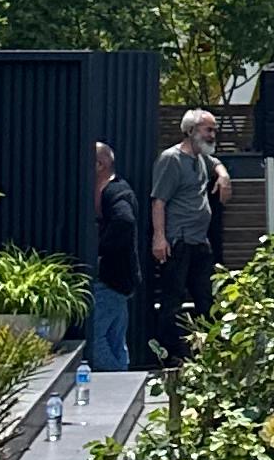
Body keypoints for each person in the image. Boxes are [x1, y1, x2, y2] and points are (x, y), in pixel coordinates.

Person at [146, 109, 227, 368]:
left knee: (207, 299)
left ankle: (209, 353)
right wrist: (159, 237)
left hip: (200, 241)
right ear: (191, 131)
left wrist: (223, 175)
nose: (213, 135)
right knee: (173, 301)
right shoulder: (171, 159)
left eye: (214, 130)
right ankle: (170, 356)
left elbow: (215, 162)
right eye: (208, 130)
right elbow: (159, 201)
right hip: (178, 241)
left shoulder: (201, 158)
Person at [88, 140, 141, 372]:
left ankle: (117, 379)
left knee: (94, 338)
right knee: (115, 339)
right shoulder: (117, 189)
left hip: (110, 278)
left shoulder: (116, 192)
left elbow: (125, 220)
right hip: (121, 279)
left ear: (99, 165)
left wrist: (99, 250)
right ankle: (124, 382)